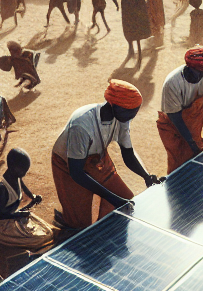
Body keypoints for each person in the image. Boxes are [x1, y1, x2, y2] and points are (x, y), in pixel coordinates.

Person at [51, 80, 161, 230]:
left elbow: (127, 152)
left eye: (134, 112)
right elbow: (76, 173)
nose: (132, 116)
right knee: (82, 224)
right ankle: (69, 221)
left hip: (98, 159)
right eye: (129, 111)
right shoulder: (82, 125)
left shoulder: (122, 117)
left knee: (127, 197)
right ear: (113, 105)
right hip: (68, 164)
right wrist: (112, 198)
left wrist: (146, 176)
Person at [157, 47, 203, 172]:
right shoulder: (172, 83)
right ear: (191, 68)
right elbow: (175, 117)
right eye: (202, 72)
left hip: (196, 120)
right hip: (174, 126)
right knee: (179, 163)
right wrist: (194, 146)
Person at [0, 148, 52, 250]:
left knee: (47, 231)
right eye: (23, 170)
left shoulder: (17, 177)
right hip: (4, 227)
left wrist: (34, 198)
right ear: (13, 167)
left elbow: (26, 192)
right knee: (41, 238)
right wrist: (20, 214)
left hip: (16, 218)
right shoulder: (0, 188)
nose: (25, 173)